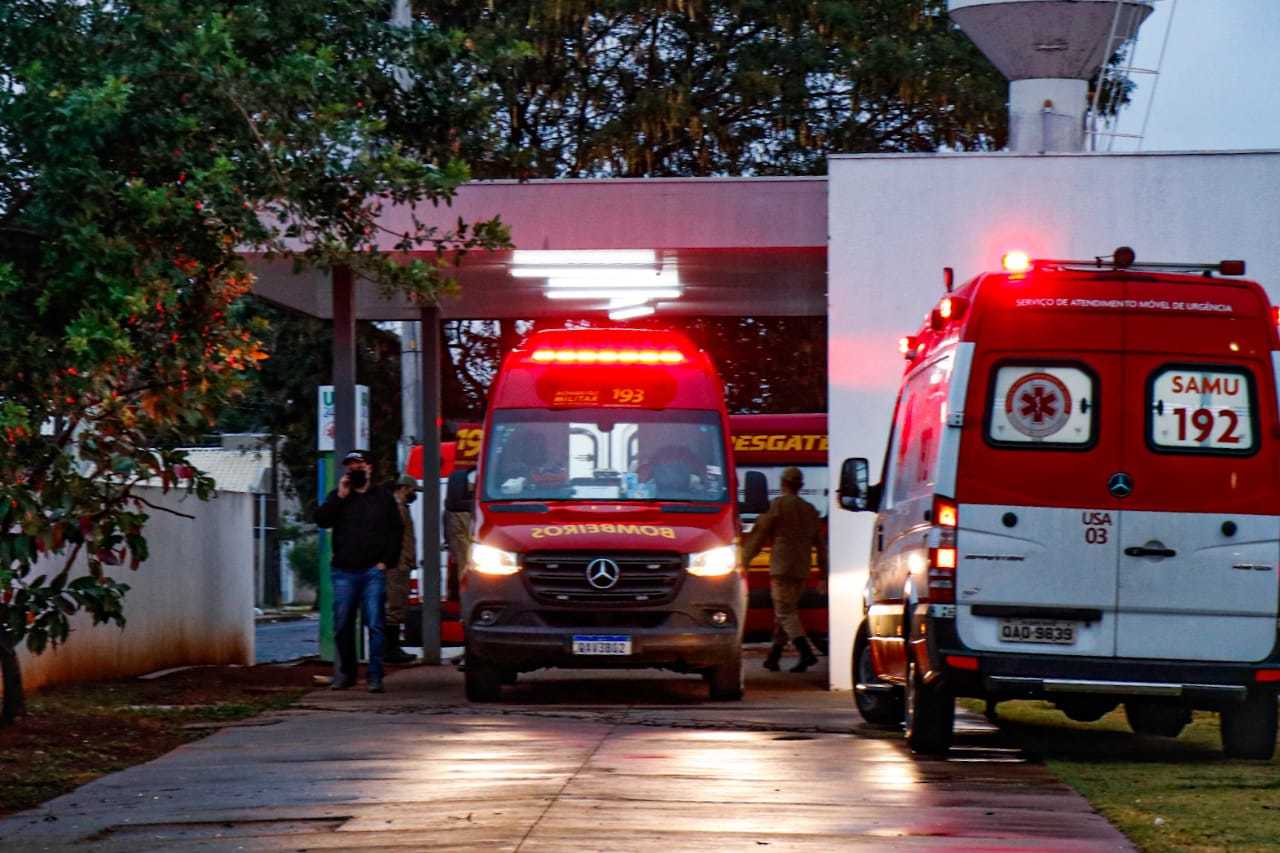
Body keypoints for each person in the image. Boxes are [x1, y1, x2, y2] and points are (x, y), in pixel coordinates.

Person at [314, 450, 403, 693]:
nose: (354, 469)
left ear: (370, 468)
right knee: (342, 624)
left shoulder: (383, 497)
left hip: (373, 570)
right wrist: (340, 496)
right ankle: (347, 674)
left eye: (358, 465)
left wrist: (386, 561)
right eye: (350, 465)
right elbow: (321, 520)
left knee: (375, 623)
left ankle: (375, 676)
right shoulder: (340, 496)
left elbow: (396, 531)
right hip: (344, 571)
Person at [740, 466, 828, 673]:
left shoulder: (777, 506)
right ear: (800, 485)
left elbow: (758, 537)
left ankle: (806, 653)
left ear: (782, 483)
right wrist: (824, 572)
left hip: (781, 567)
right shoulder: (810, 510)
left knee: (785, 611)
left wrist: (743, 561)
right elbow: (821, 546)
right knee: (786, 611)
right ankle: (774, 657)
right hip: (802, 567)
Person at [384, 474, 420, 664]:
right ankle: (390, 649)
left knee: (397, 605)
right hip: (397, 565)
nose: (414, 495)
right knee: (395, 606)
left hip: (401, 563)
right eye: (413, 491)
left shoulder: (399, 508)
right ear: (404, 488)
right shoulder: (396, 508)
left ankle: (391, 647)